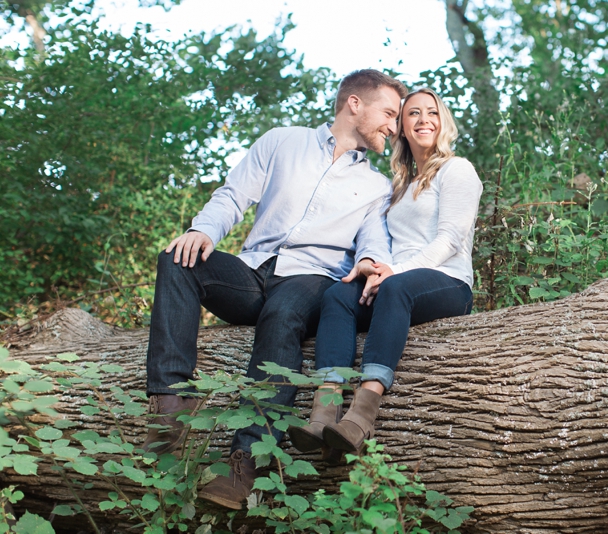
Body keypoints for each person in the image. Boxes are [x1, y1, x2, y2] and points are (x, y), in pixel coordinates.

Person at [142, 69, 408, 510]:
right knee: (177, 259)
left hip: (312, 277)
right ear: (355, 104)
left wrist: (368, 262)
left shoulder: (377, 186)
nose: (394, 127)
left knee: (283, 315)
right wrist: (203, 230)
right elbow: (233, 196)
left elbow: (374, 238)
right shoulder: (283, 140)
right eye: (389, 113)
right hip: (252, 270)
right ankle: (169, 413)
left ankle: (246, 460)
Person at [287, 88, 482, 457]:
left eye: (432, 112)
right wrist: (372, 268)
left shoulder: (457, 170)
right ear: (402, 129)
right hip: (396, 279)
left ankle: (361, 416)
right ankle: (324, 412)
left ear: (443, 123)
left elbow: (451, 240)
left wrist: (393, 272)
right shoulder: (399, 185)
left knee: (396, 290)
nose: (424, 120)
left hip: (447, 281)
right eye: (413, 114)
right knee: (338, 296)